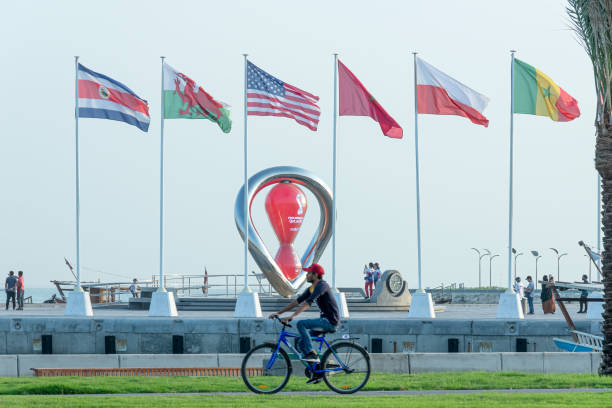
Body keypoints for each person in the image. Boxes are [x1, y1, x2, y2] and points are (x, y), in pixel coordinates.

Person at [268, 263, 339, 385]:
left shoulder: (322, 286)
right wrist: (279, 313)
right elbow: (297, 302)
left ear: (315, 275)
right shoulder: (311, 288)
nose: (306, 275)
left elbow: (308, 303)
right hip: (324, 321)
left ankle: (312, 354)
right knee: (301, 343)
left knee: (301, 324)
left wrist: (292, 316)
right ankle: (317, 371)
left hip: (329, 321)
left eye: (308, 273)